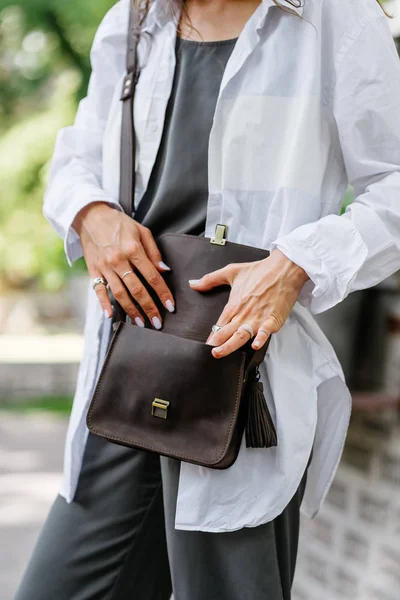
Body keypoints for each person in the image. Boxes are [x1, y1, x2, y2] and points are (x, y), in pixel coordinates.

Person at [15, 0, 400, 598]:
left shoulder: (337, 21)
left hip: (240, 381)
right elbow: (76, 156)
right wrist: (90, 214)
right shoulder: (133, 20)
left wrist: (297, 264)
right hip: (128, 369)